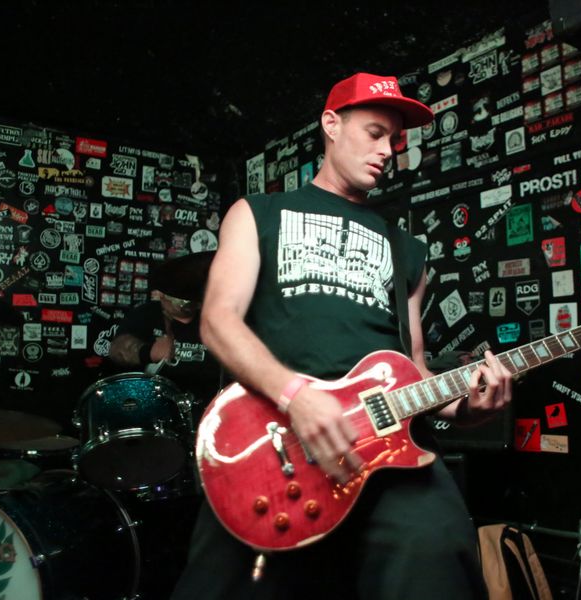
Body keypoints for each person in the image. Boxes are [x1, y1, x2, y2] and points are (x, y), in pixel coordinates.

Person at [171, 72, 513, 600]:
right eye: (375, 133)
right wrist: (296, 395)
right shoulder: (258, 213)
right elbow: (218, 320)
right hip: (277, 439)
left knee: (439, 554)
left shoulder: (406, 250)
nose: (388, 151)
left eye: (394, 141)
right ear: (331, 125)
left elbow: (414, 366)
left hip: (390, 447)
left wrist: (467, 409)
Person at [108, 252, 222, 408]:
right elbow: (117, 350)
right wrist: (148, 352)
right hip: (157, 409)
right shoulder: (145, 314)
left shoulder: (214, 319)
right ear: (161, 293)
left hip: (207, 409)